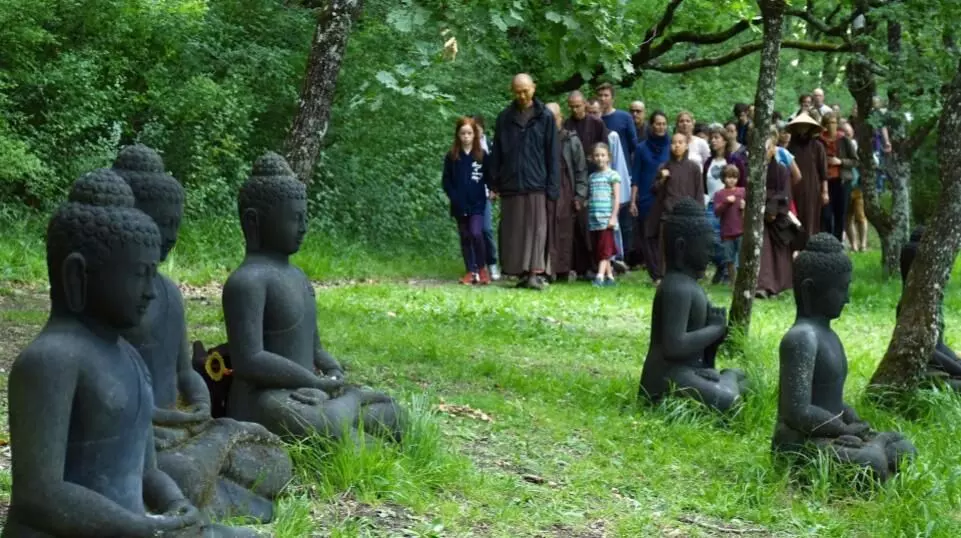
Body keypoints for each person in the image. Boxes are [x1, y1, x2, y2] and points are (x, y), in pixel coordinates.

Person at [4, 169, 250, 537]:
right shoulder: (48, 362)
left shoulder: (129, 357)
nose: (151, 291)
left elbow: (148, 470)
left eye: (154, 274)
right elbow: (39, 495)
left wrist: (175, 503)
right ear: (77, 275)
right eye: (139, 275)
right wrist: (137, 527)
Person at [222, 152, 405, 443]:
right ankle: (351, 406)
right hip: (263, 399)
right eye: (294, 218)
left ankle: (346, 417)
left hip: (308, 392)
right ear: (253, 220)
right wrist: (313, 381)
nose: (303, 227)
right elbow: (250, 360)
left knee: (395, 414)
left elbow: (314, 347)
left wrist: (332, 372)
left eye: (304, 217)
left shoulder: (299, 277)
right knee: (324, 424)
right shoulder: (247, 281)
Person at [774, 233, 916, 482]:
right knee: (872, 462)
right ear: (809, 289)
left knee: (903, 446)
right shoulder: (801, 338)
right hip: (799, 441)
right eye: (841, 289)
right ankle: (876, 451)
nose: (847, 298)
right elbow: (796, 412)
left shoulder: (829, 336)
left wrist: (853, 420)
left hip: (828, 433)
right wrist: (843, 429)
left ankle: (877, 447)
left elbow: (832, 400)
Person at [638, 198, 748, 412]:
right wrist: (714, 329)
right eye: (706, 247)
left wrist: (712, 348)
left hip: (688, 371)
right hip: (666, 378)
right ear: (682, 247)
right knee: (730, 401)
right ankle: (728, 382)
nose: (711, 254)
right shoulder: (676, 288)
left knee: (745, 379)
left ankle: (727, 380)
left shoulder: (689, 286)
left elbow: (697, 348)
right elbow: (673, 346)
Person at [489, 73, 560, 290]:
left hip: (537, 182)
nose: (522, 95)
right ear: (512, 91)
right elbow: (497, 152)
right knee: (514, 231)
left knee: (536, 230)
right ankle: (519, 272)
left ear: (534, 88)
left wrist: (553, 186)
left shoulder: (545, 117)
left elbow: (552, 154)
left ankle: (534, 274)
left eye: (525, 91)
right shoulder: (504, 118)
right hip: (511, 183)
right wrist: (494, 182)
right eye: (518, 92)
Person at [645, 132, 705, 279]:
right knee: (666, 246)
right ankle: (664, 276)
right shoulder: (664, 166)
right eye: (673, 143)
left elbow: (699, 192)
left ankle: (687, 276)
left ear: (686, 146)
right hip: (668, 213)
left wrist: (699, 214)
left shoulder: (693, 168)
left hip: (688, 215)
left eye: (680, 142)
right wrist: (662, 179)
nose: (676, 146)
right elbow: (654, 190)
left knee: (686, 247)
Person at [442, 117, 492, 285]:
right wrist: (453, 196)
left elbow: (489, 176)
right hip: (459, 204)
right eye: (463, 133)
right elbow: (446, 180)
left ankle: (482, 269)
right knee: (465, 236)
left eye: (469, 133)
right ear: (458, 135)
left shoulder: (481, 155)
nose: (466, 137)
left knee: (476, 233)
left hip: (477, 202)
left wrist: (493, 189)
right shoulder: (452, 156)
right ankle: (470, 271)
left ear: (474, 135)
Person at [544, 102, 588, 280]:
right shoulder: (541, 139)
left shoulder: (572, 140)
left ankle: (563, 269)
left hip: (566, 189)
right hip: (545, 189)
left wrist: (580, 195)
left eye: (553, 118)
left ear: (560, 118)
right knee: (546, 229)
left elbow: (581, 169)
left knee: (565, 230)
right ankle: (547, 269)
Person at [630, 111, 671, 280]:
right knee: (648, 236)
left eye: (663, 124)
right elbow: (635, 176)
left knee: (665, 235)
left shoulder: (672, 146)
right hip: (646, 198)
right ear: (652, 125)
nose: (661, 127)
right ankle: (655, 274)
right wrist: (633, 201)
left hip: (667, 197)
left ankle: (666, 271)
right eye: (658, 124)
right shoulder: (641, 148)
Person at [757, 135, 796, 298]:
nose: (765, 152)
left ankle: (779, 286)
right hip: (759, 212)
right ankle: (763, 286)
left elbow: (785, 193)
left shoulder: (781, 169)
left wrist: (772, 211)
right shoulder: (756, 170)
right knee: (764, 250)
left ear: (773, 149)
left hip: (776, 212)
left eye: (768, 148)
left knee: (779, 251)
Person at [818, 113, 859, 243]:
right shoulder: (818, 140)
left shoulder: (844, 140)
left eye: (834, 122)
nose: (832, 126)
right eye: (829, 123)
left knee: (840, 213)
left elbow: (855, 161)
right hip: (825, 182)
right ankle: (827, 240)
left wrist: (840, 161)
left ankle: (837, 242)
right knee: (826, 214)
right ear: (824, 125)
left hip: (842, 181)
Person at [786, 112, 828, 237]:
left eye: (805, 125)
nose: (802, 128)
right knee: (795, 217)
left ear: (810, 127)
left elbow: (823, 172)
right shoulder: (790, 147)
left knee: (811, 217)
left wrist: (825, 192)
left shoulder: (818, 146)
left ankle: (810, 243)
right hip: (794, 187)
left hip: (812, 188)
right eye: (800, 125)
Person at [586, 143, 621, 287]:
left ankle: (599, 277)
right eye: (597, 155)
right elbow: (591, 197)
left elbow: (617, 199)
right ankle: (610, 277)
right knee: (601, 249)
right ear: (592, 158)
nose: (600, 158)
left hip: (607, 219)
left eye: (603, 155)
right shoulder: (592, 177)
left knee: (605, 249)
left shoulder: (613, 175)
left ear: (608, 157)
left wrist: (613, 217)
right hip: (594, 219)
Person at [472, 114, 501, 280]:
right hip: (469, 194)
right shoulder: (464, 147)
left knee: (486, 229)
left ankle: (492, 263)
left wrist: (494, 188)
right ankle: (476, 265)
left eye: (478, 129)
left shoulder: (490, 145)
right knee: (473, 231)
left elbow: (494, 168)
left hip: (485, 193)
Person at [712, 165, 745, 284]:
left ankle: (743, 283)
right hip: (727, 233)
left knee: (743, 258)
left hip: (741, 231)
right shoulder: (719, 194)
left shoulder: (742, 191)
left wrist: (745, 206)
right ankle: (733, 284)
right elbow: (716, 212)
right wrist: (726, 202)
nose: (732, 180)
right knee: (729, 260)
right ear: (723, 178)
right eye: (729, 177)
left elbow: (751, 210)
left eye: (734, 177)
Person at [841, 120, 869, 251]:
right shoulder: (840, 147)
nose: (847, 134)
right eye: (844, 132)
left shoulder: (860, 147)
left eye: (849, 131)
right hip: (845, 185)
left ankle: (863, 244)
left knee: (860, 215)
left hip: (858, 186)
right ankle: (854, 245)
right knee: (848, 217)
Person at [595, 82, 639, 160]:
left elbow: (633, 144)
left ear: (612, 98)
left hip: (621, 162)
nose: (602, 98)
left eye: (606, 95)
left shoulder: (625, 117)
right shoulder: (593, 119)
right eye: (600, 95)